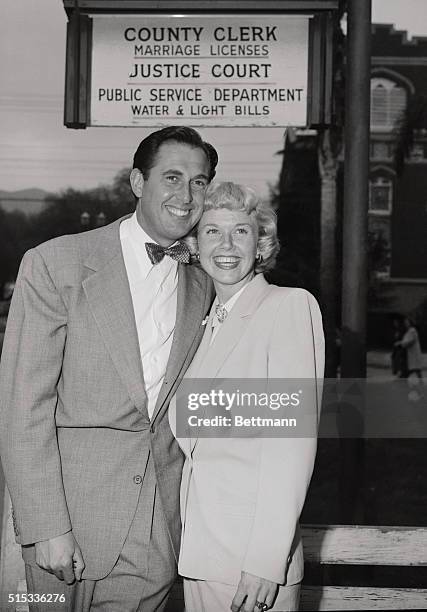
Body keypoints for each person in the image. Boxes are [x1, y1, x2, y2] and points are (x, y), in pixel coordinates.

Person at [0, 126, 218, 611]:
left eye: (199, 182)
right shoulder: (56, 264)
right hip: (69, 525)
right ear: (138, 182)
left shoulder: (204, 280)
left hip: (158, 529)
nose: (186, 195)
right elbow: (22, 409)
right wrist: (46, 525)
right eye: (173, 177)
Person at [169, 182, 325, 612]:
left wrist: (264, 560)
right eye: (212, 231)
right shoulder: (205, 325)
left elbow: (290, 448)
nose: (226, 244)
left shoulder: (289, 307)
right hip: (201, 553)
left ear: (261, 245)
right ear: (194, 247)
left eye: (241, 231)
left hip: (251, 565)